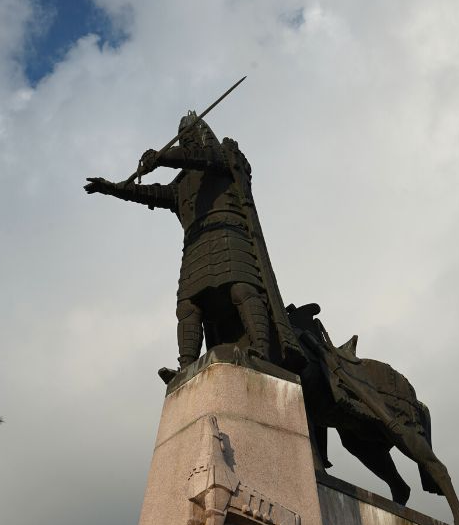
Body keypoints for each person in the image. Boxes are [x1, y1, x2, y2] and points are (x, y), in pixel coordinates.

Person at [85, 114, 301, 371]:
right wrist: (112, 187)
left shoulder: (225, 158)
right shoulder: (181, 184)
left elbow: (203, 157)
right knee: (188, 306)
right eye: (183, 138)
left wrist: (162, 158)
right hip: (195, 243)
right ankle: (186, 366)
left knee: (242, 289)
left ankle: (262, 351)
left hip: (229, 233)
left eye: (189, 136)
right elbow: (149, 192)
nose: (186, 141)